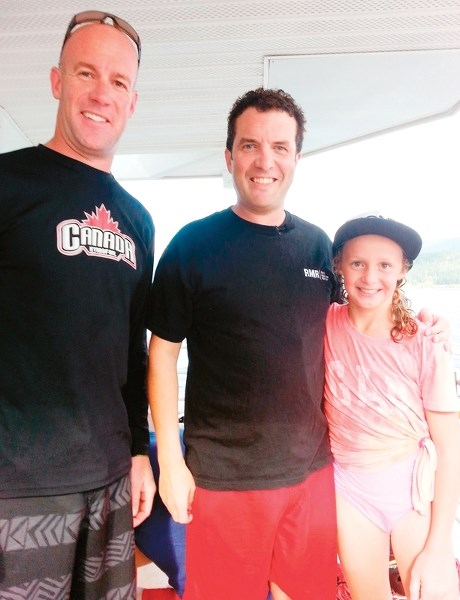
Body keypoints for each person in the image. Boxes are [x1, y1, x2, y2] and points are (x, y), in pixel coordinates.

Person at [146, 88, 449, 600]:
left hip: (313, 474)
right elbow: (163, 352)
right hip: (222, 478)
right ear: (229, 156)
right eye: (250, 145)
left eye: (280, 147)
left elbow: (359, 315)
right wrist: (170, 464)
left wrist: (423, 323)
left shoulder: (316, 245)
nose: (265, 160)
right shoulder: (191, 246)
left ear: (296, 158)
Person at [0, 11, 155, 599]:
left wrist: (140, 452)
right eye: (85, 72)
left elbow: (133, 349)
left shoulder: (138, 219)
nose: (101, 93)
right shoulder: (9, 182)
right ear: (56, 81)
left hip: (111, 480)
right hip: (17, 485)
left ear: (132, 102)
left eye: (117, 81)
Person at [324, 214, 460, 600]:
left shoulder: (424, 341)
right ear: (340, 267)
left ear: (402, 270)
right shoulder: (323, 325)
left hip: (411, 491)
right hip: (351, 490)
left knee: (436, 591)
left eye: (385, 265)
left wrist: (439, 544)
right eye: (357, 264)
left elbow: (451, 448)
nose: (370, 277)